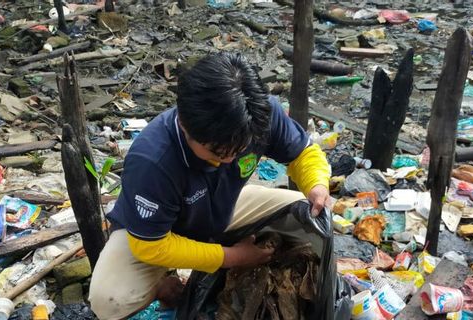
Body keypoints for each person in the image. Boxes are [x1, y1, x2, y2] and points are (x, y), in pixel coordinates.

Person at [88, 52, 331, 320]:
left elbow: (303, 153)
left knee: (309, 212)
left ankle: (228, 255)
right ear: (184, 124)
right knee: (109, 299)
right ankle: (161, 283)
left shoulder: (256, 113)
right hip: (157, 232)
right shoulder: (151, 160)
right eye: (217, 152)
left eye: (237, 150)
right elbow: (151, 246)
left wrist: (317, 184)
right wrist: (235, 258)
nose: (228, 159)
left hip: (224, 206)